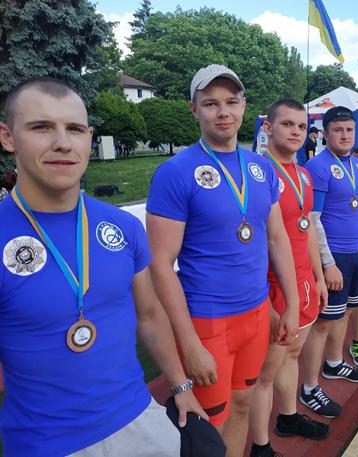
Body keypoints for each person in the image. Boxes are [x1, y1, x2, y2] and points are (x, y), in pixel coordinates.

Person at [0, 77, 205, 457]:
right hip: (47, 443)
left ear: (89, 137)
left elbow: (150, 316)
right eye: (41, 127)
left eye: (75, 129)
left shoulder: (123, 226)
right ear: (8, 136)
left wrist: (181, 387)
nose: (62, 142)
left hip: (140, 421)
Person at [146, 64, 300, 457]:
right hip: (208, 322)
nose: (223, 112)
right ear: (193, 108)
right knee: (207, 428)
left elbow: (277, 238)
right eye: (211, 103)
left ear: (244, 107)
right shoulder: (175, 173)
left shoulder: (260, 167)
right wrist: (190, 343)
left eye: (231, 102)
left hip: (255, 315)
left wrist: (290, 306)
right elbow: (161, 264)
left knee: (244, 405)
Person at [249, 99, 330, 457]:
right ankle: (260, 446)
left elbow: (308, 227)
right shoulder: (256, 172)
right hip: (271, 284)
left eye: (301, 126)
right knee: (264, 372)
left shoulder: (304, 175)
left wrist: (320, 276)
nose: (296, 132)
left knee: (292, 355)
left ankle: (288, 416)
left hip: (303, 282)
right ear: (268, 128)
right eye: (287, 125)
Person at [300, 106, 358, 418]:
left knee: (344, 313)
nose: (344, 135)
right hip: (333, 258)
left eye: (349, 130)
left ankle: (333, 364)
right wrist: (327, 263)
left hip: (357, 253)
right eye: (337, 130)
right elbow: (313, 219)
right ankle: (309, 387)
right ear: (326, 132)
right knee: (322, 324)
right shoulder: (317, 167)